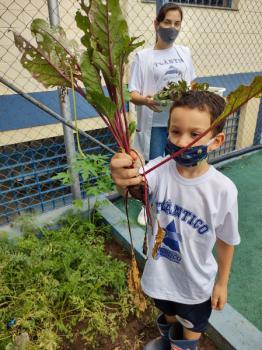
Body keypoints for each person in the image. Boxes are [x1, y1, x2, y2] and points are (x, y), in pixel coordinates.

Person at [110, 91, 240, 350]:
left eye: (195, 135)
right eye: (175, 131)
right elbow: (134, 183)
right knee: (168, 315)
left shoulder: (223, 189)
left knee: (191, 328)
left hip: (195, 284)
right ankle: (167, 339)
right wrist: (122, 173)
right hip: (160, 277)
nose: (182, 142)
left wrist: (222, 283)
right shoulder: (158, 170)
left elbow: (227, 240)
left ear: (216, 141)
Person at [129, 3, 196, 225]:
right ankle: (147, 206)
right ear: (156, 24)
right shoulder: (143, 56)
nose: (172, 28)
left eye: (177, 23)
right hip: (156, 122)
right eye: (167, 22)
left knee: (178, 163)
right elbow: (133, 93)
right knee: (155, 165)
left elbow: (192, 83)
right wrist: (147, 101)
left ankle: (174, 202)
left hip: (179, 122)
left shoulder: (184, 52)